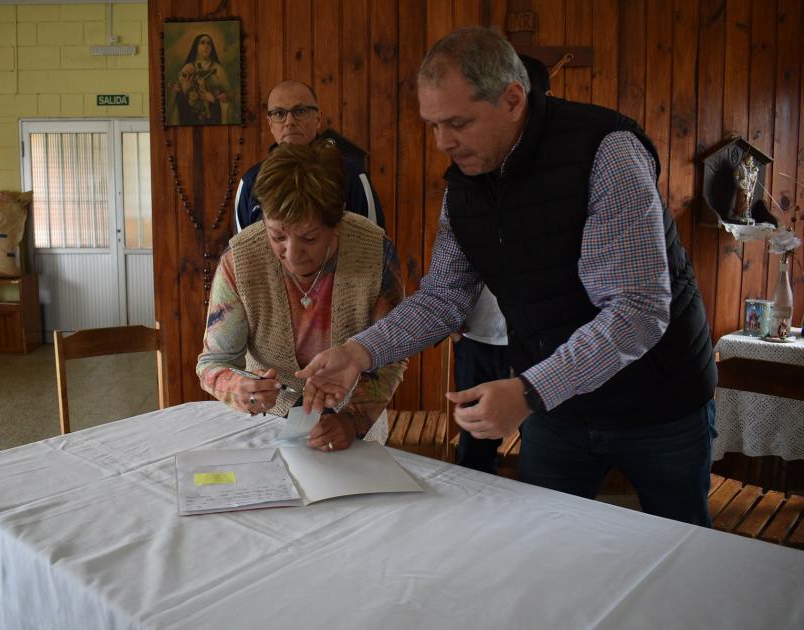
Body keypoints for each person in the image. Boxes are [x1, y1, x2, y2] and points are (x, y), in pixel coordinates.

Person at [297, 26, 717, 526]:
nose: (442, 143)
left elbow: (638, 311)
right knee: (544, 548)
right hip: (557, 412)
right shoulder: (464, 188)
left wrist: (529, 391)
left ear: (514, 99)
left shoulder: (606, 153)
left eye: (458, 123)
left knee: (682, 555)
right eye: (432, 125)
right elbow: (442, 299)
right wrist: (358, 352)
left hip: (657, 404)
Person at [198, 141, 406, 451]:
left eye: (309, 237)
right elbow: (213, 362)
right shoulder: (240, 261)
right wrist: (238, 387)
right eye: (277, 236)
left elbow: (391, 358)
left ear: (337, 223)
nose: (293, 255)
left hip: (357, 426)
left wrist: (352, 420)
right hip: (268, 423)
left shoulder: (374, 253)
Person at [451, 54, 551, 476]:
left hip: (545, 341)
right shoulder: (470, 172)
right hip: (481, 331)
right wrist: (450, 316)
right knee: (476, 441)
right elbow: (450, 276)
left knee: (541, 440)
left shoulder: (566, 170)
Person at [234, 80, 385, 233]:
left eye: (300, 111)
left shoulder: (352, 177)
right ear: (270, 123)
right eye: (279, 113)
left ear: (318, 118)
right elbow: (242, 252)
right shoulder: (250, 181)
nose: (289, 122)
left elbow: (375, 248)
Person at [172, 33, 235, 125]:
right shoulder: (187, 68)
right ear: (196, 47)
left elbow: (230, 99)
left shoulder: (218, 69)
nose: (206, 46)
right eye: (202, 43)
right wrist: (184, 89)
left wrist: (214, 99)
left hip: (214, 118)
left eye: (209, 43)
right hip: (191, 118)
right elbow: (176, 101)